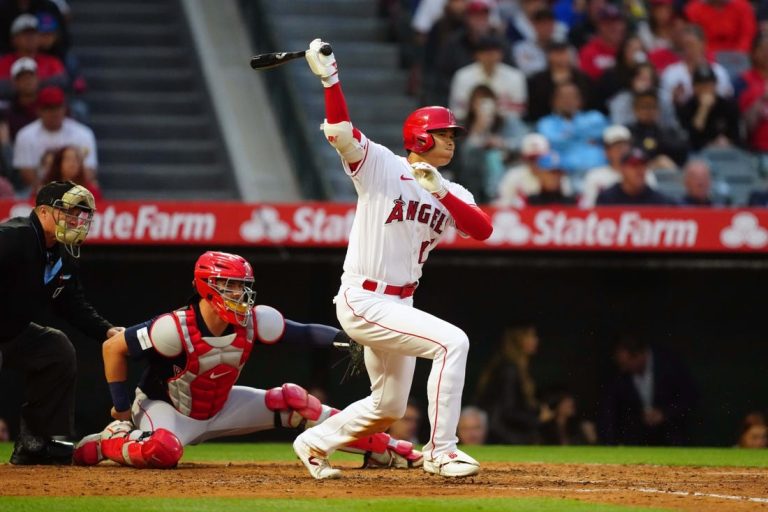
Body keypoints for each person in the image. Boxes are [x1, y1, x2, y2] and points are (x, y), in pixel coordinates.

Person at [293, 38, 493, 480]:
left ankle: (313, 441)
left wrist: (439, 189)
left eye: (452, 134)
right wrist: (331, 79)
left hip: (400, 304)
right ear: (421, 136)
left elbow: (482, 229)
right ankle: (441, 451)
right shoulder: (383, 165)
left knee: (387, 407)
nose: (451, 140)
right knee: (452, 343)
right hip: (364, 297)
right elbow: (341, 132)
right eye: (443, 133)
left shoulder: (453, 191)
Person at [72, 251, 422, 470]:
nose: (240, 295)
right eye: (230, 286)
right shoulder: (173, 328)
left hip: (221, 406)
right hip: (169, 410)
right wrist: (120, 410)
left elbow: (302, 333)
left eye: (242, 286)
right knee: (164, 451)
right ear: (207, 287)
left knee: (295, 402)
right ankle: (108, 442)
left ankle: (382, 447)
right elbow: (113, 348)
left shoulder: (254, 319)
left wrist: (349, 338)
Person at [0, 180, 122, 464]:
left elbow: (72, 305)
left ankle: (35, 443)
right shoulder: (11, 238)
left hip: (11, 333)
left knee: (55, 348)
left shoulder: (62, 256)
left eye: (81, 215)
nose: (76, 220)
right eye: (69, 212)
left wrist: (106, 330)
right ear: (43, 212)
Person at [598, 332, 698, 445]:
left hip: (672, 437)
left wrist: (664, 414)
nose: (623, 369)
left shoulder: (669, 364)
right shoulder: (620, 376)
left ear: (640, 355)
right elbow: (609, 410)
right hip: (636, 441)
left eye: (626, 364)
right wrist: (610, 443)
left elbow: (690, 397)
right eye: (621, 365)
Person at [476, 326, 553, 444]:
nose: (536, 340)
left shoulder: (518, 368)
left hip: (509, 432)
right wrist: (537, 419)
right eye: (530, 336)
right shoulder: (509, 369)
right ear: (518, 340)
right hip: (504, 435)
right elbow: (508, 411)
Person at [13, 85, 97, 190]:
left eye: (58, 107)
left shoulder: (83, 134)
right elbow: (26, 173)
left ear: (65, 108)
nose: (54, 113)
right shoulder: (25, 135)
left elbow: (89, 171)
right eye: (49, 108)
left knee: (93, 187)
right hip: (39, 190)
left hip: (76, 189)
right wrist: (48, 192)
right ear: (39, 110)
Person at [580, 124, 658, 208]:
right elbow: (588, 208)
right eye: (617, 147)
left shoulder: (645, 173)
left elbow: (654, 204)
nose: (623, 151)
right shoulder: (594, 176)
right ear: (606, 152)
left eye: (626, 146)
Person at [676, 64, 741, 151]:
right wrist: (703, 110)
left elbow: (737, 135)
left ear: (715, 85)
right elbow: (691, 137)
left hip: (726, 151)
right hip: (699, 153)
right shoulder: (686, 108)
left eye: (709, 85)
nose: (705, 89)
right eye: (701, 85)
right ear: (694, 87)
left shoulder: (728, 105)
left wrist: (728, 141)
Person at [596, 146, 676, 205]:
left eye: (643, 165)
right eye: (634, 165)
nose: (639, 170)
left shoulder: (659, 201)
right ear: (622, 169)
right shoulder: (607, 199)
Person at [33, 145, 102, 201]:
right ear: (58, 164)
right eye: (68, 159)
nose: (72, 164)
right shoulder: (44, 189)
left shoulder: (90, 191)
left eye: (76, 160)